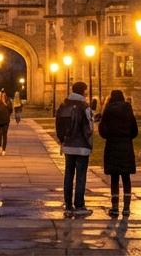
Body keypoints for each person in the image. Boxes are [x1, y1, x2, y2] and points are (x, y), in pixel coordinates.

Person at [56, 81, 96, 216]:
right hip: (82, 146)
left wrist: (62, 140)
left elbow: (58, 124)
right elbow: (89, 127)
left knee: (68, 174)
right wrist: (89, 142)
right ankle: (79, 205)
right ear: (82, 91)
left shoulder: (63, 105)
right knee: (81, 175)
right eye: (85, 90)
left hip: (68, 145)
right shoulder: (84, 106)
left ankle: (68, 205)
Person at [98, 89, 138, 218]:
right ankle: (126, 208)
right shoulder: (128, 109)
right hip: (126, 146)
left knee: (114, 178)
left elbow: (102, 130)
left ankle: (115, 207)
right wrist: (126, 136)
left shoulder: (108, 110)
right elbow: (134, 130)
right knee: (126, 178)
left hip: (112, 146)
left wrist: (111, 135)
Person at [0, 91, 14, 155]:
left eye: (1, 94)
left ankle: (4, 149)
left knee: (4, 135)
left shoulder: (8, 101)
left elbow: (11, 110)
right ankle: (0, 147)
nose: (0, 96)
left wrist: (6, 105)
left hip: (6, 121)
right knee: (0, 134)